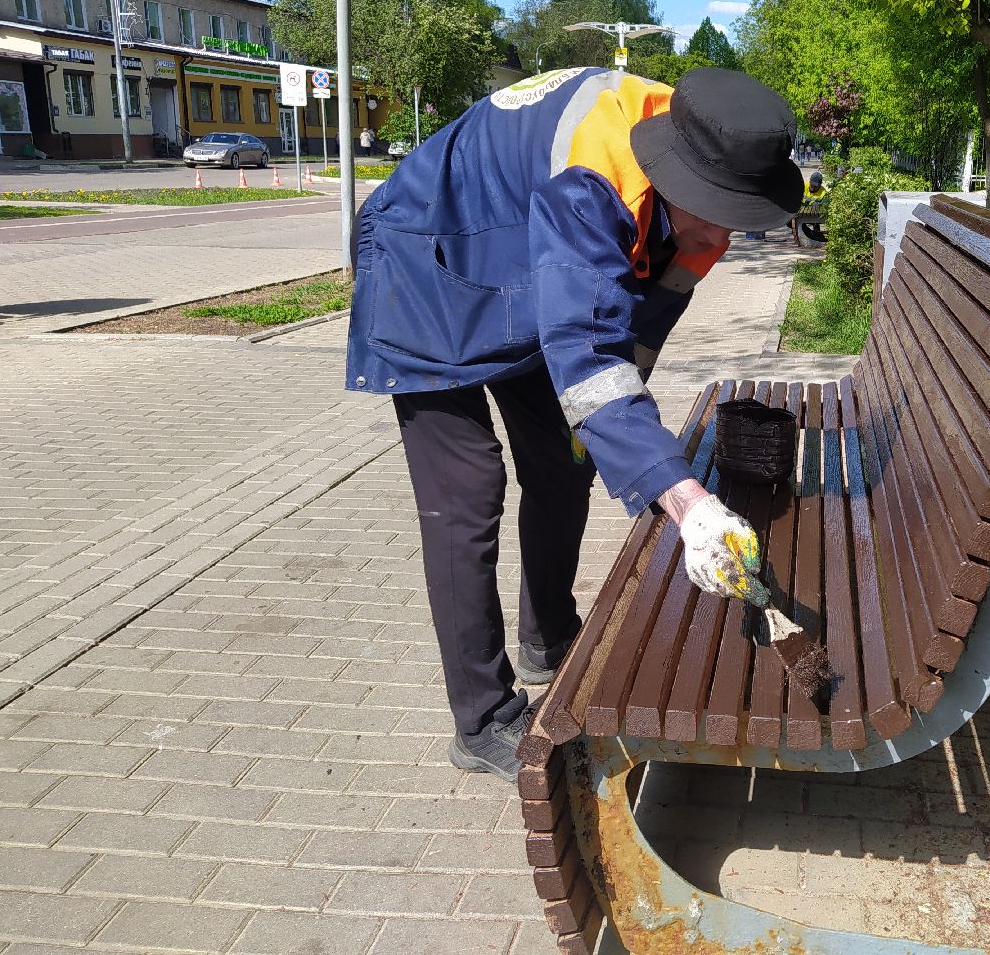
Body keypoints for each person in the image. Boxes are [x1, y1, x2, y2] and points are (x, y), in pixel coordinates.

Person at [345, 66, 804, 780]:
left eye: (734, 216)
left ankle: (549, 636)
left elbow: (635, 337)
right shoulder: (593, 177)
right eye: (710, 210)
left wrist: (629, 446)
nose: (717, 233)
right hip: (425, 261)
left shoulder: (707, 159)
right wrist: (686, 500)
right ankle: (482, 718)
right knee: (467, 494)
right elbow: (587, 352)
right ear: (671, 169)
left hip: (524, 276)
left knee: (565, 462)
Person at [795, 170, 829, 243]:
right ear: (809, 181)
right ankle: (811, 235)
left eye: (815, 185)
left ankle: (816, 235)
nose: (813, 187)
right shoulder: (804, 186)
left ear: (820, 185)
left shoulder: (823, 193)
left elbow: (825, 205)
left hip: (815, 214)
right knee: (793, 221)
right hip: (801, 212)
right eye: (812, 184)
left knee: (816, 222)